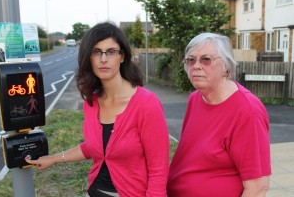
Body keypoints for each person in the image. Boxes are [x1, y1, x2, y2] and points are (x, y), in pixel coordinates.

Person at [26, 21, 170, 197]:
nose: (103, 59)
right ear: (89, 58)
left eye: (111, 52)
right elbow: (95, 147)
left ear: (122, 56)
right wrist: (54, 159)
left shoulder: (146, 104)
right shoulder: (92, 102)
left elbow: (159, 168)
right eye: (96, 52)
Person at [167, 33, 271, 197]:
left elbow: (257, 187)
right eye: (191, 60)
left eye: (206, 59)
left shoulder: (247, 110)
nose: (196, 66)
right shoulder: (196, 98)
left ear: (226, 67)